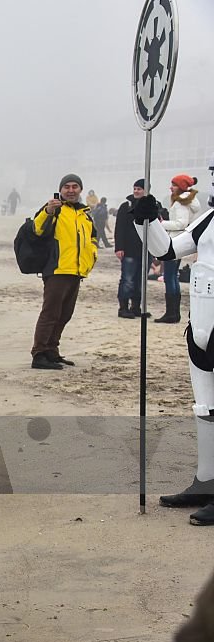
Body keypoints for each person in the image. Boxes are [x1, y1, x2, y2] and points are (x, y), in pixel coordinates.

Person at [133, 159, 214, 525]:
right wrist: (145, 220)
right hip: (200, 330)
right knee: (205, 410)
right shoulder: (209, 219)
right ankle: (206, 481)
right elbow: (165, 250)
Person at [29, 174, 98, 369]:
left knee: (65, 313)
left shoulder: (84, 214)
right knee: (50, 312)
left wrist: (91, 256)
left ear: (80, 190)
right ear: (61, 189)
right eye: (66, 186)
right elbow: (37, 229)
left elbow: (93, 238)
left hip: (76, 271)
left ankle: (52, 349)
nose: (70, 190)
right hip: (57, 269)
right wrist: (48, 211)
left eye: (75, 186)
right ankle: (39, 352)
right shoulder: (54, 209)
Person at [155, 174, 203, 323]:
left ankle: (172, 313)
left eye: (174, 185)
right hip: (180, 242)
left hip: (175, 241)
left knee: (170, 278)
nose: (171, 187)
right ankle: (173, 312)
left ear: (181, 187)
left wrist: (162, 223)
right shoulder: (188, 201)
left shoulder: (181, 202)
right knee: (172, 277)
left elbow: (181, 223)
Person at [114, 180, 149, 318]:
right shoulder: (126, 206)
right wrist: (119, 247)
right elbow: (120, 228)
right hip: (128, 249)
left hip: (145, 250)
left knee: (140, 281)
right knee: (127, 279)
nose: (136, 191)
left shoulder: (152, 206)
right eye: (135, 188)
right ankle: (123, 308)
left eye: (139, 189)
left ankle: (136, 307)